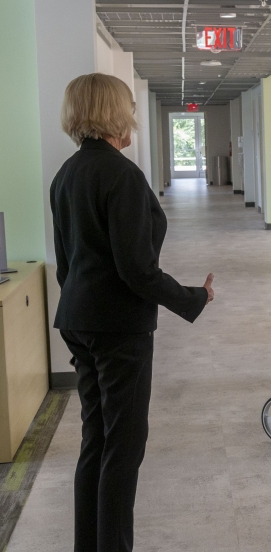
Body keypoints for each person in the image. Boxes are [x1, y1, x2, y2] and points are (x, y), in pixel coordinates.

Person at [51, 73, 215, 552]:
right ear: (112, 112)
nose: (133, 118)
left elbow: (66, 263)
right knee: (123, 447)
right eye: (127, 107)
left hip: (78, 319)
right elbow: (136, 269)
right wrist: (193, 297)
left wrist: (84, 308)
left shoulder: (68, 173)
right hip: (117, 326)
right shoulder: (121, 174)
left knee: (96, 440)